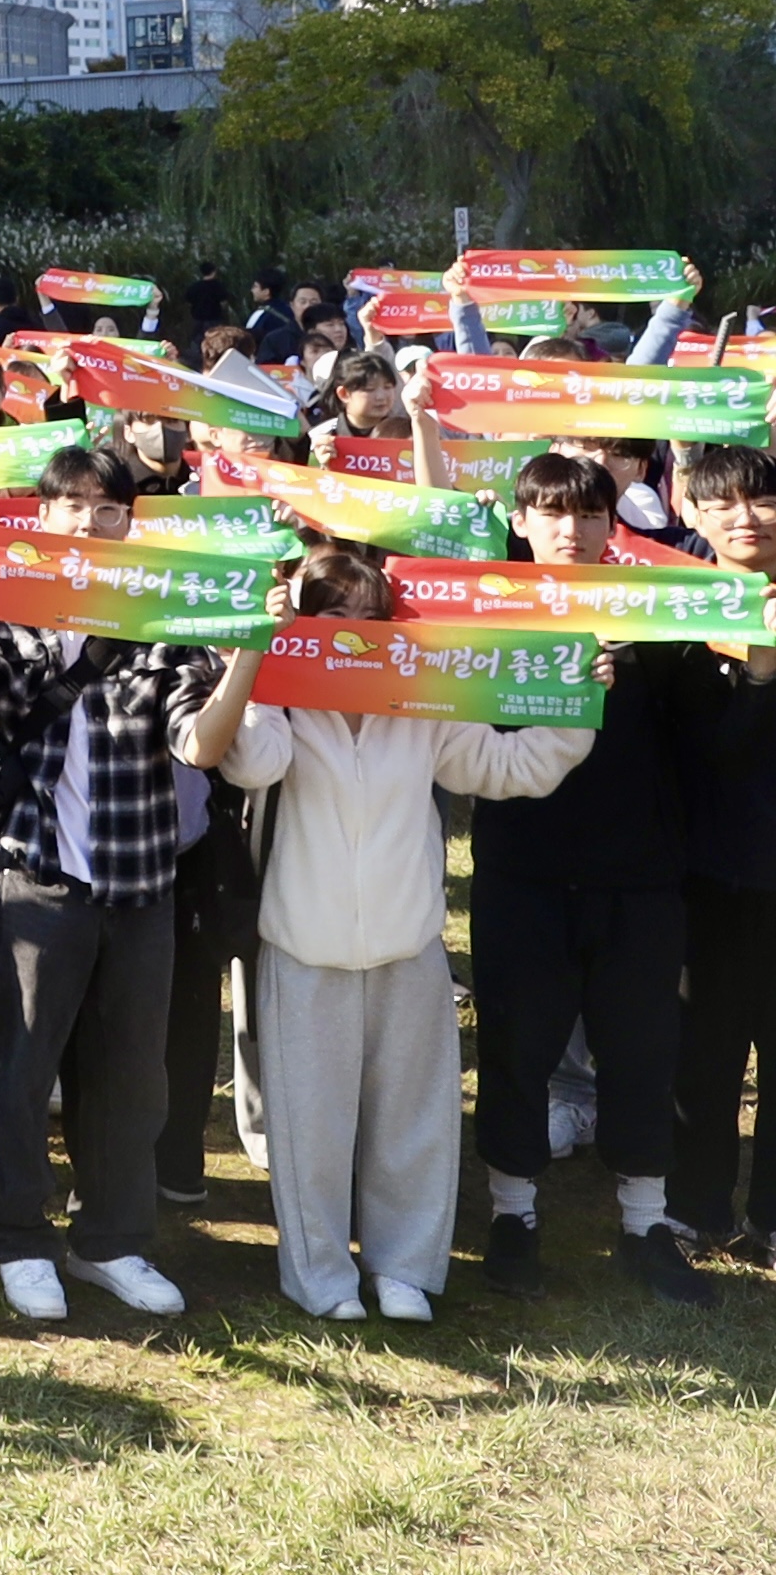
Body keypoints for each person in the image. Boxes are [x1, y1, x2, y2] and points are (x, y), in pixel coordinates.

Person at [190, 541, 584, 1322]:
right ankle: (323, 1277)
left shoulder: (420, 702)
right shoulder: (282, 701)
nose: (355, 634)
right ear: (304, 622)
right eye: (333, 616)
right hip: (303, 948)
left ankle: (405, 1268)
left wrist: (577, 704)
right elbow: (248, 765)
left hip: (409, 948)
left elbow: (510, 768)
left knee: (415, 1121)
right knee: (311, 1128)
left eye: (371, 618)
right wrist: (255, 663)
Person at [0, 443, 240, 1325]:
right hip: (38, 877)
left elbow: (199, 745)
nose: (87, 523)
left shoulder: (161, 622)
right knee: (22, 1071)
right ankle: (21, 1235)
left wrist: (248, 654)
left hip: (141, 881)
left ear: (131, 524)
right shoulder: (5, 618)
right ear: (40, 518)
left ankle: (112, 1241)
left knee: (135, 1075)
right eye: (71, 507)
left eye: (108, 509)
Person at [465, 450, 724, 1304]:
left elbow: (698, 738)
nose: (568, 530)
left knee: (642, 1053)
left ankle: (645, 1225)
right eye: (550, 513)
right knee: (515, 1050)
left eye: (585, 515)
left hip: (640, 881)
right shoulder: (489, 612)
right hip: (523, 874)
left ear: (610, 526)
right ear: (520, 522)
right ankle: (513, 1215)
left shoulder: (652, 617)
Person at [668, 441, 776, 1259]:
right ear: (693, 512)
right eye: (726, 504)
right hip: (707, 869)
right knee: (705, 1050)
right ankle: (698, 1206)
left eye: (763, 501)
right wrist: (761, 669)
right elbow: (701, 753)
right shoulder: (678, 612)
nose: (748, 518)